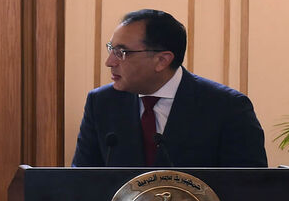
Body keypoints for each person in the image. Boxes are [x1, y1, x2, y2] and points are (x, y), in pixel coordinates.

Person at [71, 9, 266, 168]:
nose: (109, 62)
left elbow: (249, 190)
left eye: (121, 52)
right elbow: (82, 183)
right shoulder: (102, 103)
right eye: (111, 49)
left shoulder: (227, 107)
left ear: (162, 60)